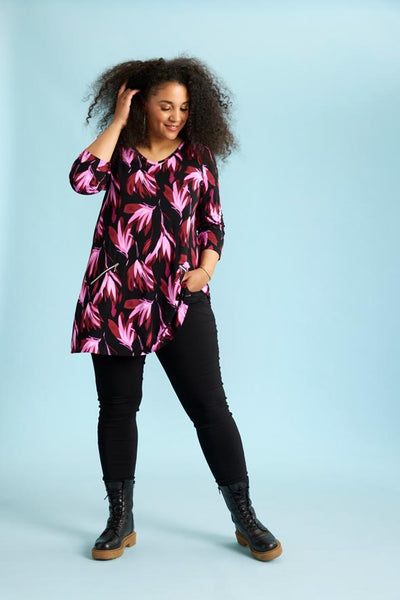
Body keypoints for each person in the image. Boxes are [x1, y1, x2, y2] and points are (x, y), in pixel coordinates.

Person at [68, 56, 282, 562]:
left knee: (210, 408)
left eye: (184, 108)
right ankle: (120, 519)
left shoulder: (198, 157)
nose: (175, 116)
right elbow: (82, 180)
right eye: (165, 106)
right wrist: (117, 120)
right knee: (117, 409)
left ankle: (245, 516)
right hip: (117, 298)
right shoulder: (118, 152)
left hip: (179, 298)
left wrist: (205, 271)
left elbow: (212, 223)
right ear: (142, 103)